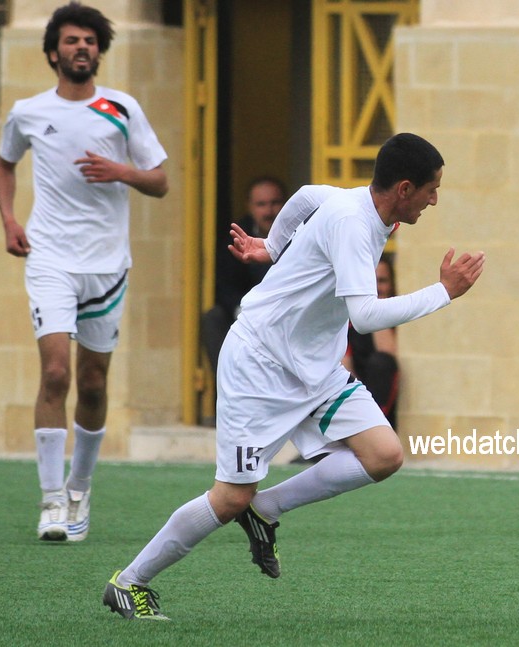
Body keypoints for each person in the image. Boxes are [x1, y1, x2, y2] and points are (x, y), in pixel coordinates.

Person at [103, 133, 484, 620]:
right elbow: (365, 316)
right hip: (259, 365)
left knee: (384, 455)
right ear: (405, 188)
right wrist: (443, 292)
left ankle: (267, 509)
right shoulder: (353, 223)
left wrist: (272, 247)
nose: (434, 200)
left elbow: (304, 194)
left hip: (315, 368)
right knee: (229, 498)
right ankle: (129, 582)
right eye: (432, 190)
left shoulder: (358, 204)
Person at [0, 2, 168, 543]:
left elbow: (160, 181)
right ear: (53, 53)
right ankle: (50, 500)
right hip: (50, 259)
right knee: (55, 374)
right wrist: (9, 221)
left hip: (107, 265)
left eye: (90, 40)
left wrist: (121, 171)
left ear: (99, 50)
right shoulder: (28, 112)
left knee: (92, 381)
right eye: (71, 40)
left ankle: (79, 489)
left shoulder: (122, 108)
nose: (81, 47)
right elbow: (4, 165)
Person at [200, 176, 287, 374]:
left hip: (287, 314)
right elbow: (225, 285)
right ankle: (227, 380)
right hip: (246, 314)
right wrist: (245, 312)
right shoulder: (236, 236)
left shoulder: (298, 234)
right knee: (213, 318)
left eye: (275, 203)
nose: (269, 211)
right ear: (250, 206)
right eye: (261, 204)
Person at [344, 253, 400, 429]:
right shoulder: (348, 321)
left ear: (392, 285)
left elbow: (389, 354)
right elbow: (345, 368)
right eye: (370, 281)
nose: (376, 287)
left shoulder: (400, 314)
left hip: (388, 404)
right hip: (358, 397)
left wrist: (375, 309)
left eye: (381, 281)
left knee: (380, 362)